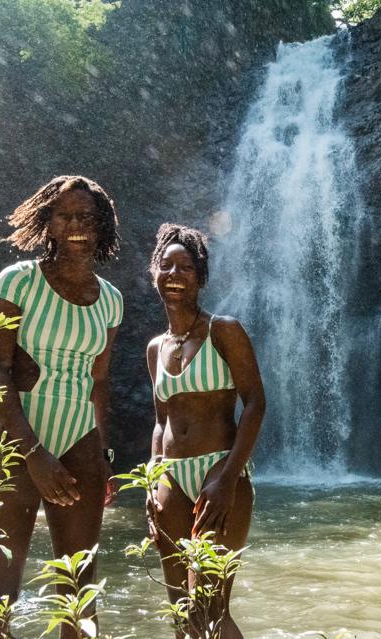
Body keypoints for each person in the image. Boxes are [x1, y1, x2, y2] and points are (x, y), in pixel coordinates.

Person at [0, 175, 122, 638]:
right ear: (48, 223)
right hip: (13, 443)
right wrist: (34, 453)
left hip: (80, 442)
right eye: (66, 215)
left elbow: (98, 383)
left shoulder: (111, 301)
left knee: (78, 593)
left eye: (87, 217)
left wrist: (104, 457)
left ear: (102, 226)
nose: (77, 224)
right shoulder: (16, 281)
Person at [145, 224, 265, 639]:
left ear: (201, 277)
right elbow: (162, 420)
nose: (175, 274)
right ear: (154, 273)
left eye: (186, 267)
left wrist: (229, 478)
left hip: (220, 471)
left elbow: (255, 402)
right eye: (166, 265)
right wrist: (151, 481)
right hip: (171, 480)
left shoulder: (223, 330)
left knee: (212, 608)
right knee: (181, 610)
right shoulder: (155, 347)